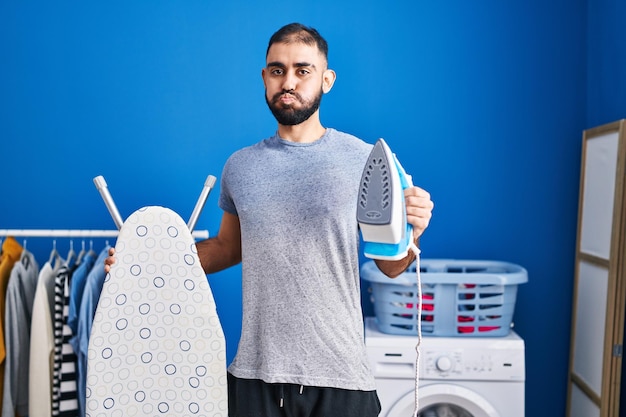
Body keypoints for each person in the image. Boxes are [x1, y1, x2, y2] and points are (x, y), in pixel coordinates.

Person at [105, 22, 433, 417]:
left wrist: (414, 233)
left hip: (341, 375)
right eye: (277, 70)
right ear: (265, 77)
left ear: (326, 80)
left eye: (302, 70)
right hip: (254, 376)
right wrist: (146, 262)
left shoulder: (362, 160)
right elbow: (227, 248)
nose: (288, 81)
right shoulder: (240, 166)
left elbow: (390, 265)